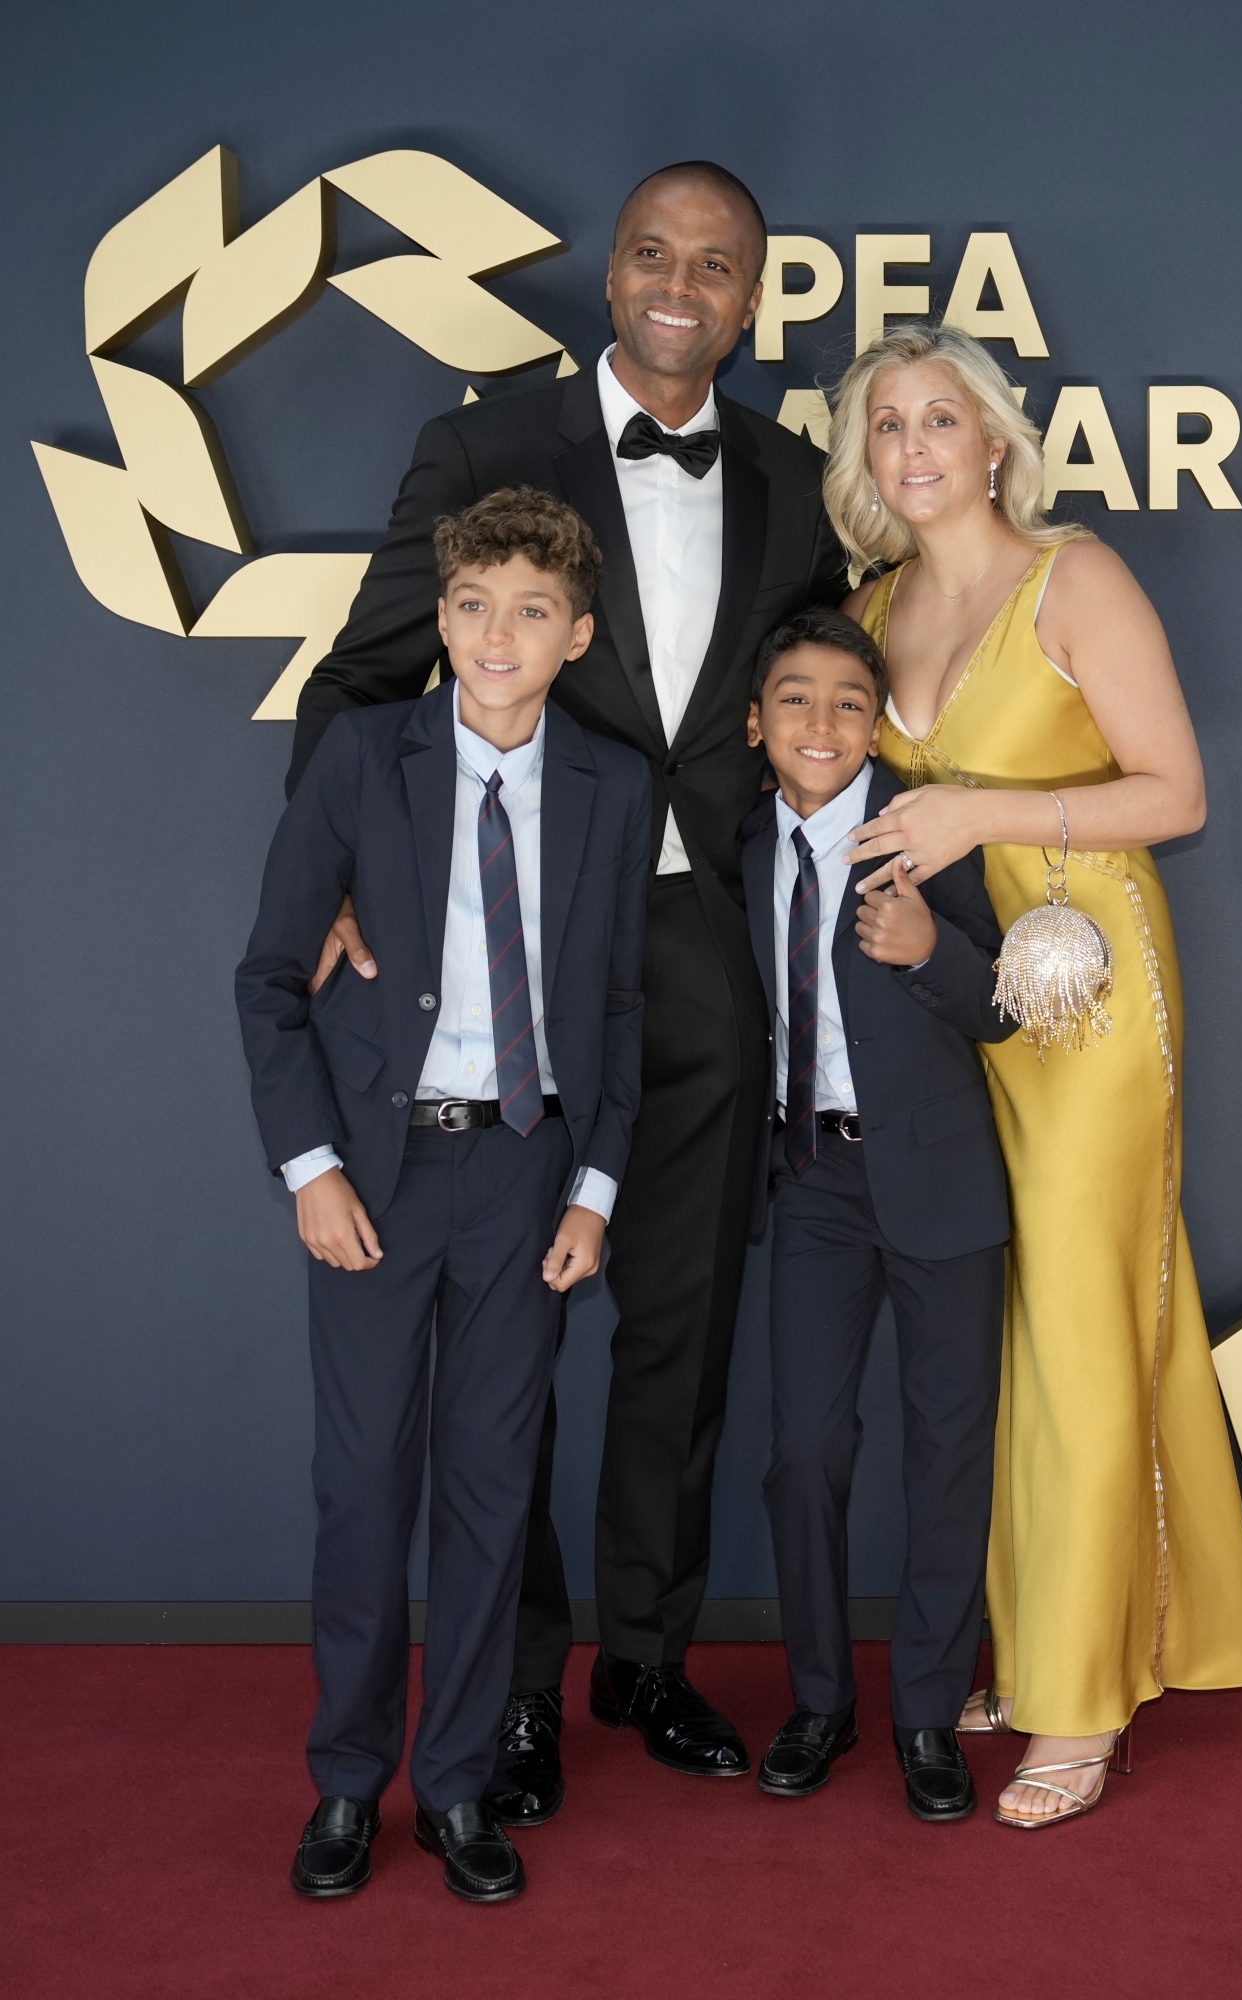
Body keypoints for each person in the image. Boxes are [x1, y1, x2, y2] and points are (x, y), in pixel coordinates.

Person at [285, 160, 847, 1811]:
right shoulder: (487, 447)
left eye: (719, 264)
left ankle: (649, 1663)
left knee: (677, 1327)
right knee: (504, 1345)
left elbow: (829, 700)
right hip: (520, 959)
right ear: (612, 275)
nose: (684, 283)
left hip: (703, 956)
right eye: (655, 254)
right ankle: (510, 1688)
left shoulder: (798, 481)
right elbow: (363, 673)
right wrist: (328, 878)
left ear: (753, 301)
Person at [830, 323, 1242, 1829]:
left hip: (1086, 997)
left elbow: (1180, 790)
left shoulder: (1073, 579)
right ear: (864, 457)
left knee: (1083, 1325)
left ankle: (1082, 1712)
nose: (913, 446)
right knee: (1003, 1330)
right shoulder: (871, 603)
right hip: (955, 1003)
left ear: (996, 438)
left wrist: (975, 808)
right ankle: (1041, 1648)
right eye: (885, 424)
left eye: (938, 416)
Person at [236, 490, 649, 1901]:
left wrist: (593, 1189)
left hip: (527, 1172)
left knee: (491, 1488)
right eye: (472, 605)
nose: (496, 634)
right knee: (362, 1490)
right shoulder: (363, 758)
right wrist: (310, 1168)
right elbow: (267, 981)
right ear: (441, 614)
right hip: (379, 1172)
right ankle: (349, 1783)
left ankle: (461, 1782)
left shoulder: (612, 784)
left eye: (532, 611)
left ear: (576, 635)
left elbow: (616, 1006)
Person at [739, 608, 1016, 1822]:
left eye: (849, 702)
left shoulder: (924, 830)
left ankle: (925, 1711)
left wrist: (925, 950)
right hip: (813, 1186)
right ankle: (818, 1698)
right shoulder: (735, 843)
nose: (820, 723)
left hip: (941, 1181)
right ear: (756, 722)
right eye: (794, 699)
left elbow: (1004, 998)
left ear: (878, 721)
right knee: (804, 1449)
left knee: (948, 1449)